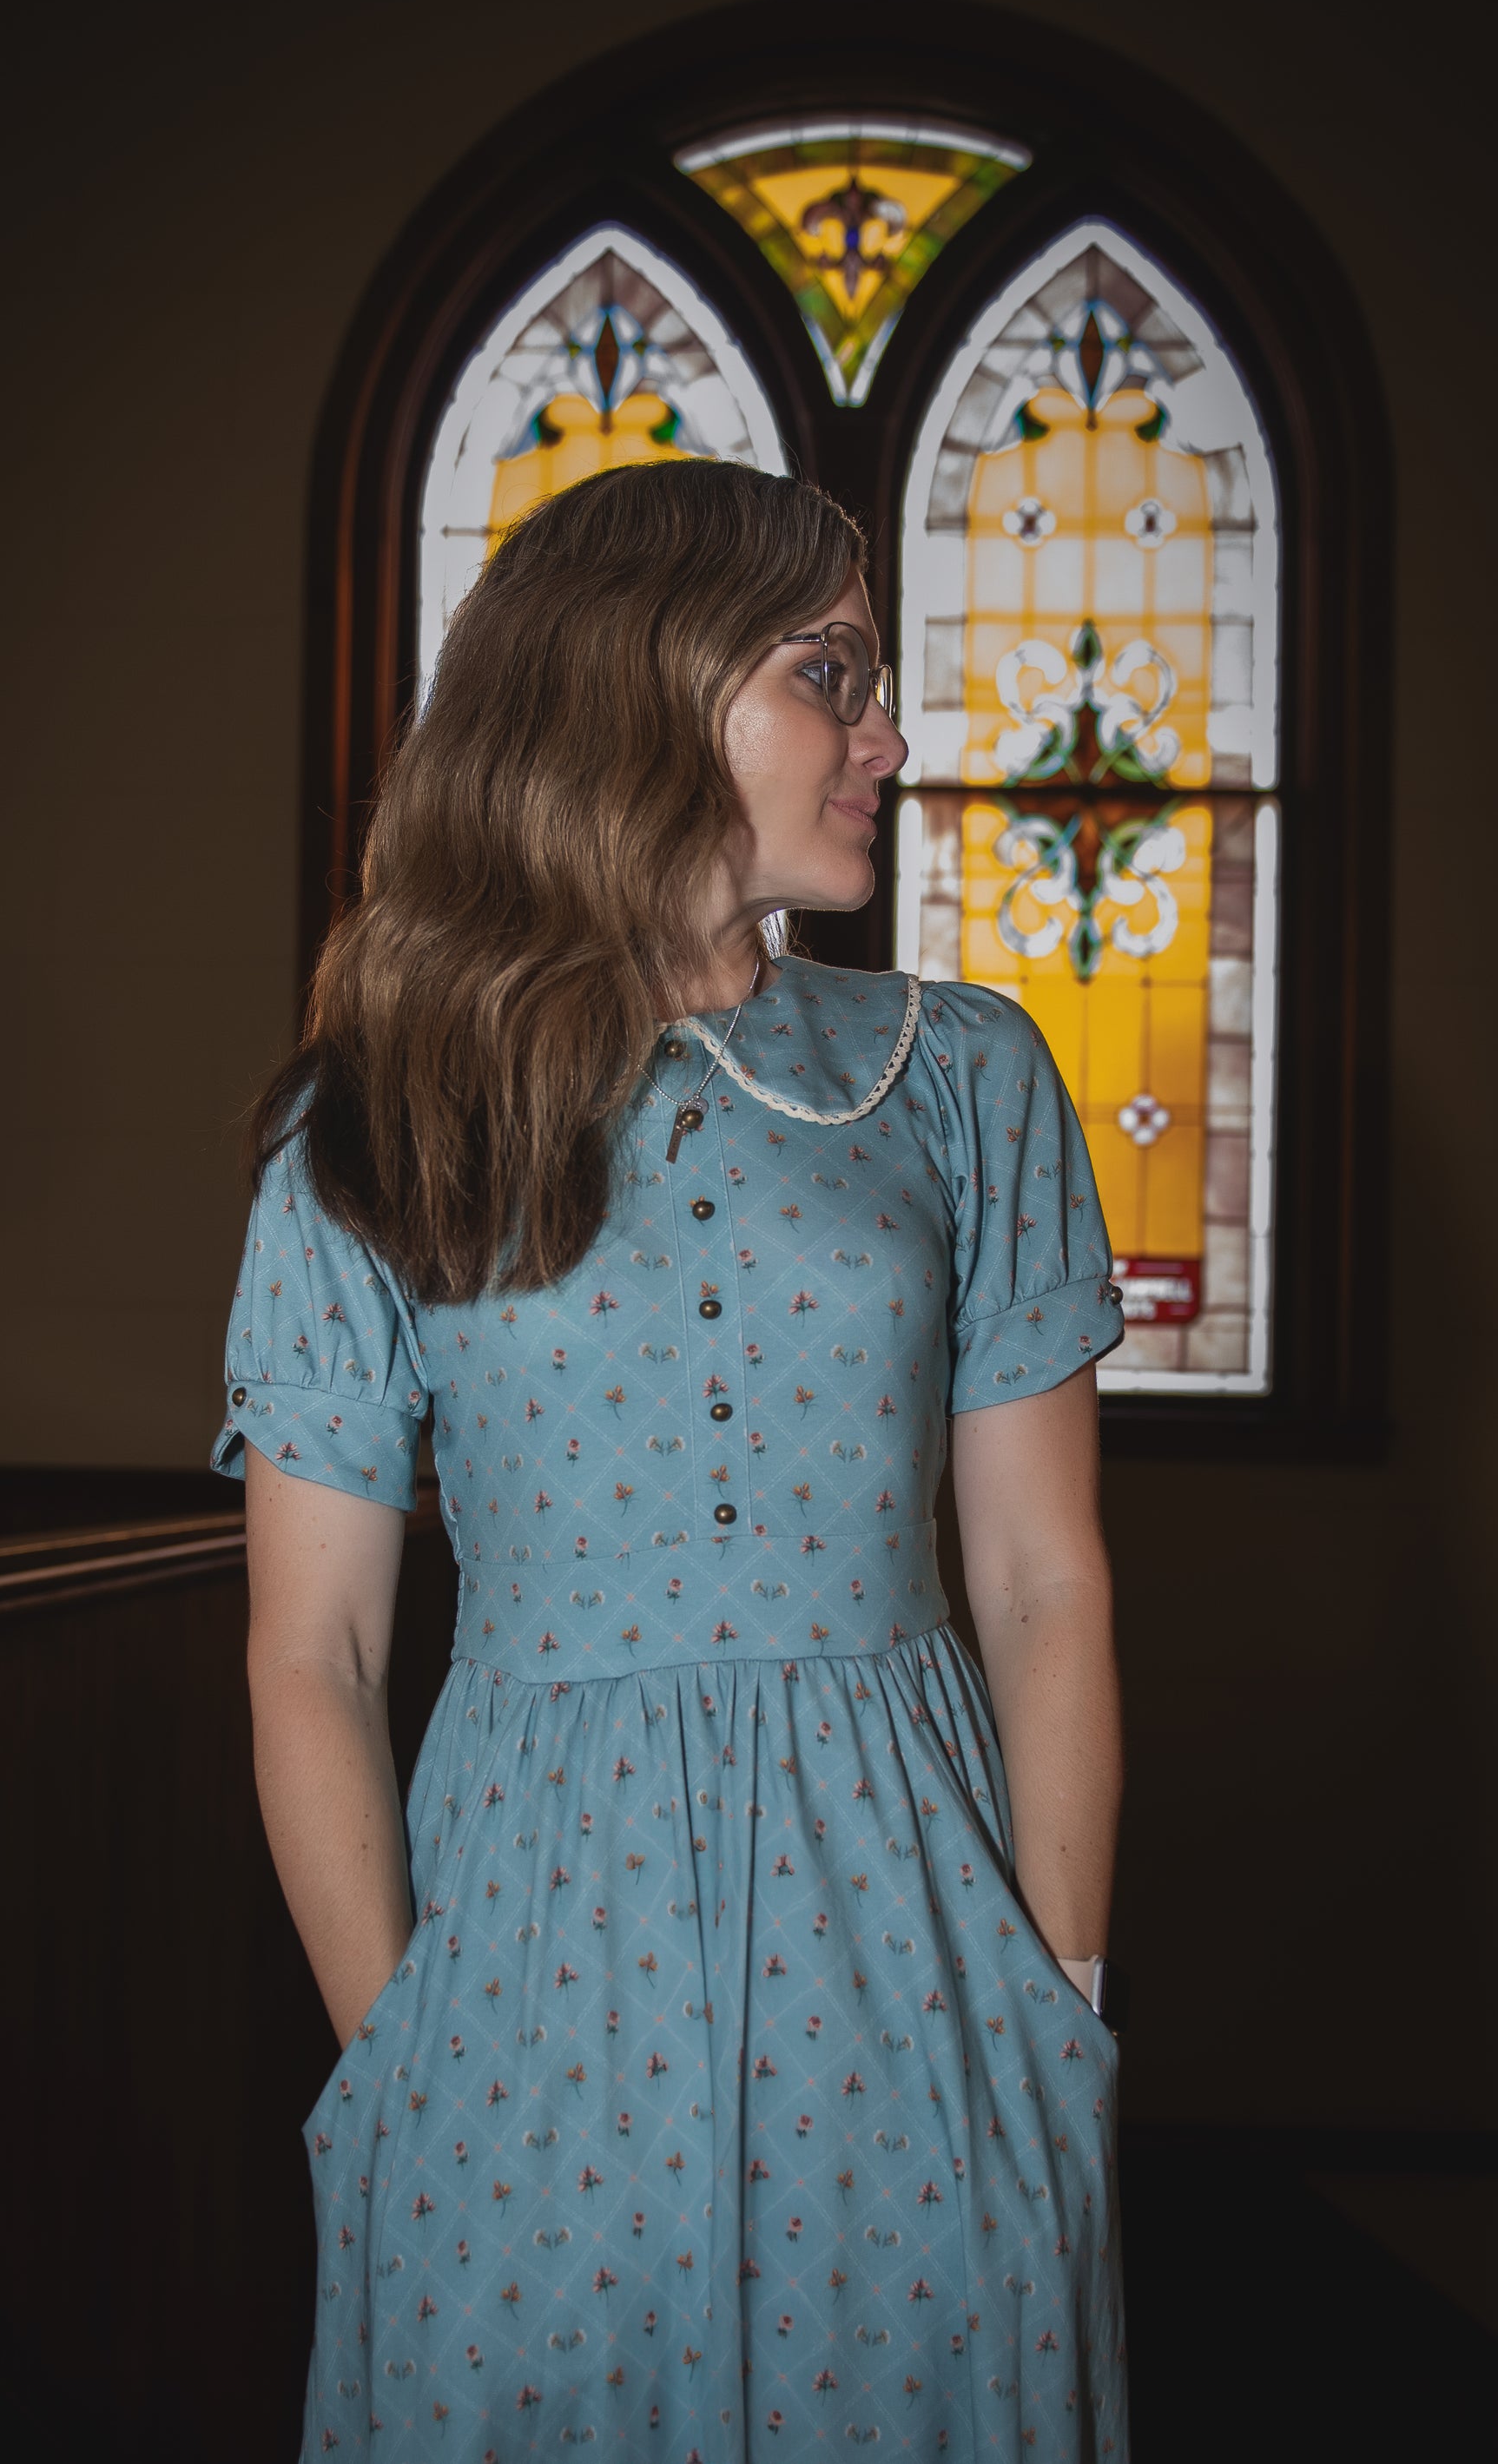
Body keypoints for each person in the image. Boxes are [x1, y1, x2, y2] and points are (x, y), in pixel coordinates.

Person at [213, 458, 1130, 2460]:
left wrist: (1058, 1995)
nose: (887, 737)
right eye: (829, 674)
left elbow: (1043, 1578)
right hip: (521, 1957)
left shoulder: (964, 1073)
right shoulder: (375, 1111)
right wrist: (396, 2060)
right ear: (639, 687)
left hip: (918, 1942)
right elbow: (315, 1653)